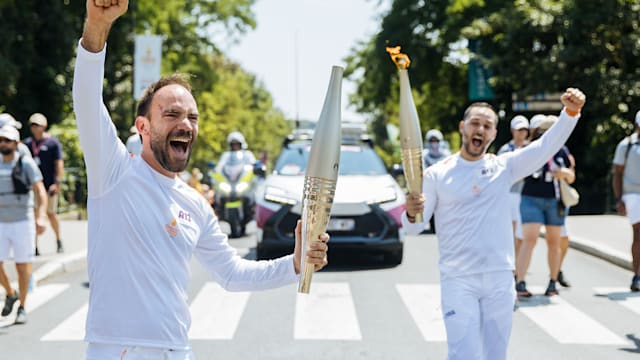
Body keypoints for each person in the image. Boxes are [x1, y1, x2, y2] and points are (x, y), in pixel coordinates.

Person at [73, 2, 329, 359]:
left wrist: (296, 263)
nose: (186, 125)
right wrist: (98, 25)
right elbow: (86, 100)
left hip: (178, 350)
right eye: (172, 114)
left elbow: (232, 273)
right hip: (120, 350)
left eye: (192, 117)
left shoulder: (194, 202)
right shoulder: (113, 172)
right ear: (143, 127)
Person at [403, 89, 585, 360]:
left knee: (495, 355)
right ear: (462, 127)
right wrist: (410, 212)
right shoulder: (436, 174)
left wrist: (570, 114)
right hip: (458, 279)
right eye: (475, 123)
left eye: (487, 126)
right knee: (464, 353)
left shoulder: (505, 167)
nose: (481, 129)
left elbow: (545, 146)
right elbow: (414, 228)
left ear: (493, 134)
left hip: (499, 277)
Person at [515, 115, 576, 298]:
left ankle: (552, 281)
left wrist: (563, 173)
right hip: (531, 198)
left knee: (554, 242)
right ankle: (520, 281)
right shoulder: (529, 149)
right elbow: (516, 172)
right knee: (530, 239)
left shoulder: (561, 150)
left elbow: (572, 176)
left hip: (554, 200)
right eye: (543, 131)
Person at [0, 125, 47, 324]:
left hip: (22, 221)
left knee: (21, 266)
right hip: (1, 220)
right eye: (1, 139)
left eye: (7, 140)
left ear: (16, 143)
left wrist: (41, 216)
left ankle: (22, 307)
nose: (3, 143)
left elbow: (40, 191)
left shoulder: (25, 163)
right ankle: (11, 293)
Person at [23, 113, 65, 254]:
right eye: (32, 125)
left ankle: (58, 240)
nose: (35, 128)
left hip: (49, 185)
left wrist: (57, 183)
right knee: (34, 214)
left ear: (44, 126)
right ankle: (34, 246)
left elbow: (59, 164)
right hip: (33, 185)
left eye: (37, 125)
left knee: (51, 213)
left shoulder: (52, 143)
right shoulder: (27, 143)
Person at [612, 109, 640, 292]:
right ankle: (637, 275)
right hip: (633, 195)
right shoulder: (626, 145)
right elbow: (617, 173)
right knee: (638, 234)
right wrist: (618, 199)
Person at [497, 115, 530, 261]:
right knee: (510, 232)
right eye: (518, 130)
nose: (521, 133)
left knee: (521, 234)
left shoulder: (531, 149)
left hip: (527, 195)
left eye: (524, 130)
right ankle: (509, 264)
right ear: (512, 130)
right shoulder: (505, 150)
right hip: (510, 195)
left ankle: (517, 265)